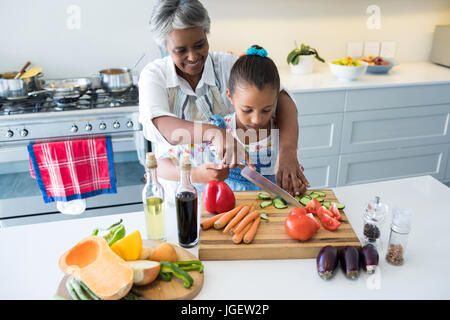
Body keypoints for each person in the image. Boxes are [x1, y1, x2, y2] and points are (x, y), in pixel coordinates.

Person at [138, 0, 309, 198]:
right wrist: (214, 134)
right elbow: (159, 125)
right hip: (180, 190)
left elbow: (280, 95)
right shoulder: (154, 75)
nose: (193, 57)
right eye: (181, 50)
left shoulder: (227, 65)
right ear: (165, 46)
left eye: (200, 44)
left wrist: (288, 150)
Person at [157, 45, 301, 193]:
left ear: (276, 99)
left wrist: (295, 184)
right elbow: (160, 164)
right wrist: (197, 174)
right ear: (230, 97)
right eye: (247, 110)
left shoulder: (282, 133)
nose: (257, 119)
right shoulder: (217, 130)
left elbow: (292, 177)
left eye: (266, 110)